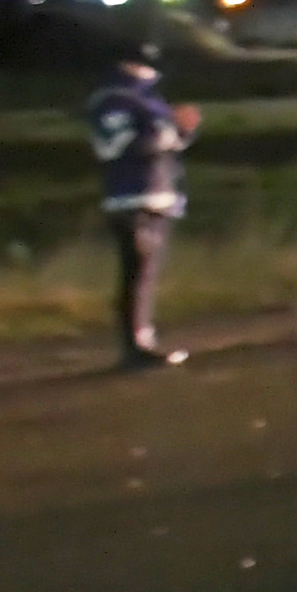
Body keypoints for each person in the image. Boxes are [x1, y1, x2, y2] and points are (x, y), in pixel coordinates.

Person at [84, 44, 201, 369]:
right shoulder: (114, 100)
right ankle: (135, 347)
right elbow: (114, 146)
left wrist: (183, 132)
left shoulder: (146, 99)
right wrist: (168, 135)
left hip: (155, 197)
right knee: (137, 275)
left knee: (144, 276)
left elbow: (164, 143)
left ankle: (141, 342)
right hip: (131, 198)